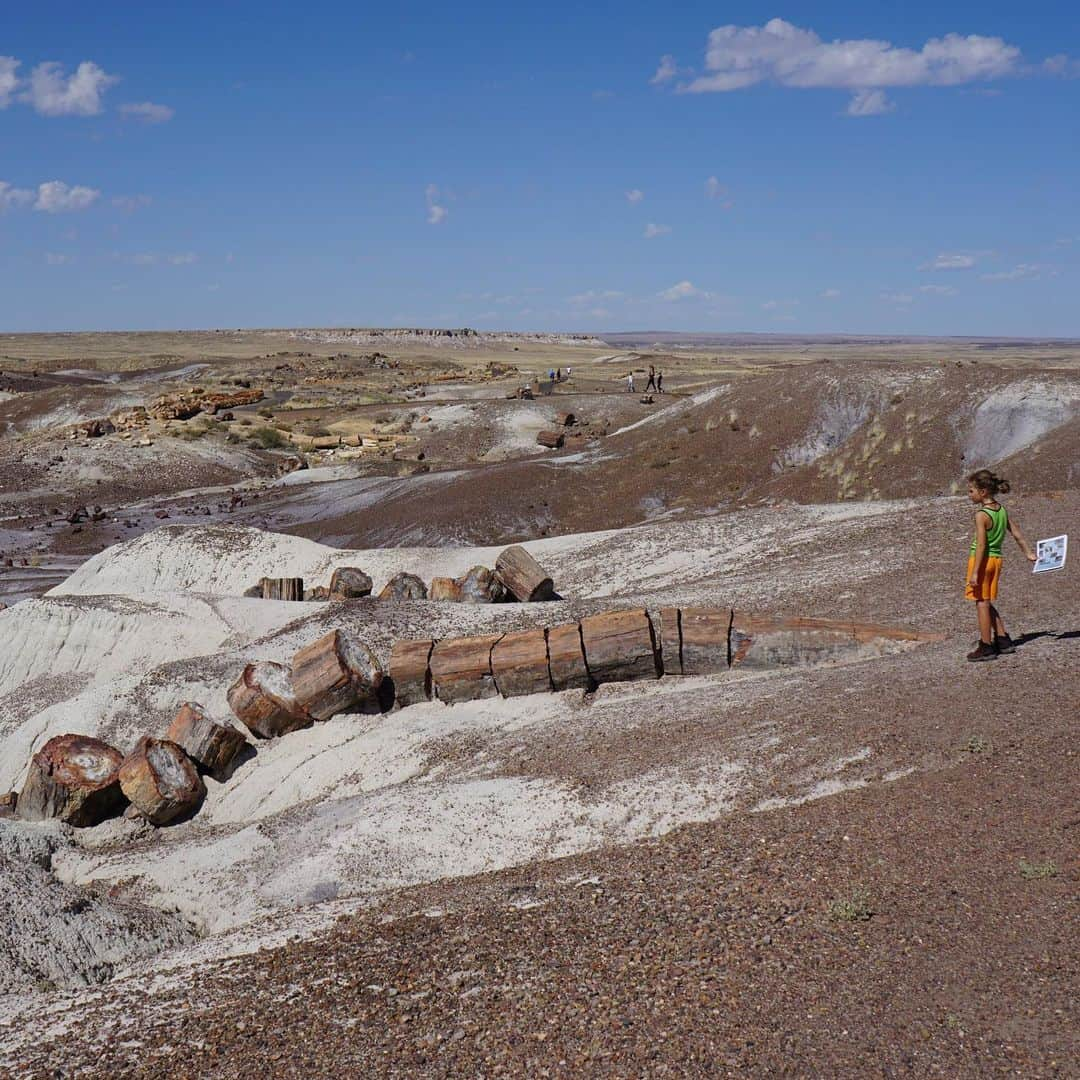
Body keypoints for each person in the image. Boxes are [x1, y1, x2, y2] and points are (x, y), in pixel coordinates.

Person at [964, 468, 1035, 662]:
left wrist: (975, 572)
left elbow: (981, 545)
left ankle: (986, 645)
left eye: (971, 491)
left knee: (981, 603)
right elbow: (1017, 533)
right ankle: (1003, 639)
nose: (969, 494)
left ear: (983, 492)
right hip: (997, 561)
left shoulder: (981, 515)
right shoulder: (1001, 510)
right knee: (986, 600)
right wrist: (1028, 552)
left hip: (983, 562)